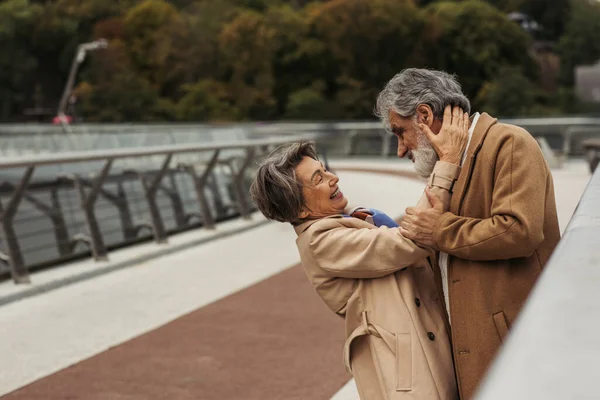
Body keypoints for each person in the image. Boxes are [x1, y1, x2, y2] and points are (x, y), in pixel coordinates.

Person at [249, 107, 468, 400]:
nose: (333, 178)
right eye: (318, 179)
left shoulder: (351, 221)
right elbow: (411, 241)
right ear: (300, 208)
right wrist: (448, 163)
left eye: (325, 169)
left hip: (428, 354)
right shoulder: (322, 242)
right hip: (410, 378)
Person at [375, 68, 561, 399]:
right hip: (470, 354)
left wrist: (439, 229)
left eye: (399, 132)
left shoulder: (509, 143)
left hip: (513, 353)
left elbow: (520, 230)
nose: (401, 149)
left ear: (424, 115)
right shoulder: (445, 163)